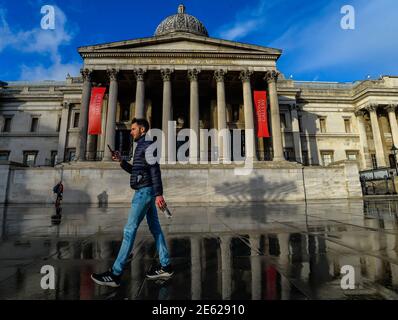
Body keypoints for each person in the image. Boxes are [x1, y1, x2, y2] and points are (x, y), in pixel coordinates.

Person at [91, 118, 173, 288]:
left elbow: (154, 169)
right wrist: (121, 161)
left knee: (129, 230)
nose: (131, 131)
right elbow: (136, 171)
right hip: (146, 190)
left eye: (134, 128)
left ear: (142, 130)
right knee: (155, 228)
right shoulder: (141, 146)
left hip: (144, 192)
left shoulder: (148, 145)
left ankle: (115, 273)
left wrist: (159, 194)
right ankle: (165, 265)